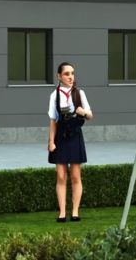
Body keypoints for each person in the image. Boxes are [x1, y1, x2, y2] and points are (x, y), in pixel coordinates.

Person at [47, 61, 92, 223]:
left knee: (75, 175)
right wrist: (51, 141)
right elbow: (53, 120)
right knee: (60, 176)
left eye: (72, 73)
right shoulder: (54, 95)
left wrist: (84, 112)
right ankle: (62, 212)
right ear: (59, 76)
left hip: (75, 135)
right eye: (67, 74)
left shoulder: (80, 93)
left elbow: (90, 116)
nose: (70, 77)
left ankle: (75, 211)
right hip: (60, 135)